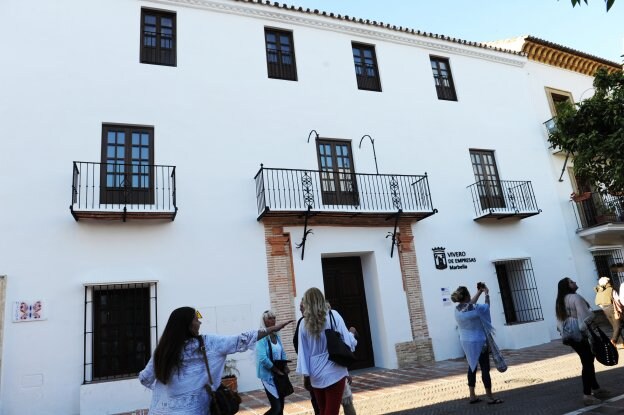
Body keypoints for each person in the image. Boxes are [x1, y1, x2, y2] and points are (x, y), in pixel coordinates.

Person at [139, 306, 293, 414]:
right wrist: (272, 329)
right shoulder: (207, 343)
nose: (200, 322)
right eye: (196, 318)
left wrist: (167, 391)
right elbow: (241, 340)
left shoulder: (162, 350)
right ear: (187, 324)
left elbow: (145, 378)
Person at [296, 288, 355, 415]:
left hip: (316, 372)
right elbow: (347, 342)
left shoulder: (303, 323)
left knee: (322, 410)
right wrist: (353, 334)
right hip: (335, 369)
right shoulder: (333, 315)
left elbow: (303, 353)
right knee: (332, 411)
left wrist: (306, 376)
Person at [556, 277, 610, 405]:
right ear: (567, 286)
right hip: (580, 333)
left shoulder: (560, 301)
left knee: (587, 359)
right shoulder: (576, 298)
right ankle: (587, 394)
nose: (574, 282)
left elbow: (559, 319)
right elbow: (586, 315)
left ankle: (596, 388)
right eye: (571, 282)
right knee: (587, 361)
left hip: (569, 334)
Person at [451, 283, 503, 405]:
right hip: (480, 341)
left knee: (472, 367)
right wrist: (486, 294)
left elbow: (469, 304)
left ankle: (472, 395)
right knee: (485, 368)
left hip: (466, 342)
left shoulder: (457, 310)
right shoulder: (476, 309)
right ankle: (490, 397)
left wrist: (479, 292)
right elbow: (486, 306)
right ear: (467, 295)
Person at [256, 309, 290, 415]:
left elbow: (282, 352)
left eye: (274, 318)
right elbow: (263, 358)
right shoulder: (262, 337)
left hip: (278, 375)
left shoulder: (276, 336)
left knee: (281, 407)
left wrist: (285, 366)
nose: (273, 320)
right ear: (264, 321)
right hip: (268, 376)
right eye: (270, 318)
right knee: (276, 408)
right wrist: (276, 370)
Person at [594, 276, 623, 346]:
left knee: (614, 326)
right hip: (613, 308)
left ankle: (622, 342)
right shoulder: (611, 289)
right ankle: (613, 341)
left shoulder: (599, 291)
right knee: (618, 325)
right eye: (609, 281)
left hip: (605, 310)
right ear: (607, 282)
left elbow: (598, 302)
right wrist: (620, 308)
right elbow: (617, 299)